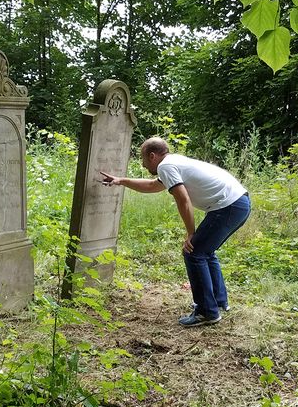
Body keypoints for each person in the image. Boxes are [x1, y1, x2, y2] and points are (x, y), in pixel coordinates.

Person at [100, 137, 250, 327]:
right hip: (238, 203)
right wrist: (121, 181)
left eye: (143, 159)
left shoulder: (166, 166)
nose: (143, 164)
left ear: (152, 156)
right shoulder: (173, 162)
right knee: (204, 252)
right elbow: (153, 186)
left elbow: (183, 199)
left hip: (228, 206)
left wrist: (190, 234)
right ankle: (218, 303)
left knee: (194, 252)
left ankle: (206, 311)